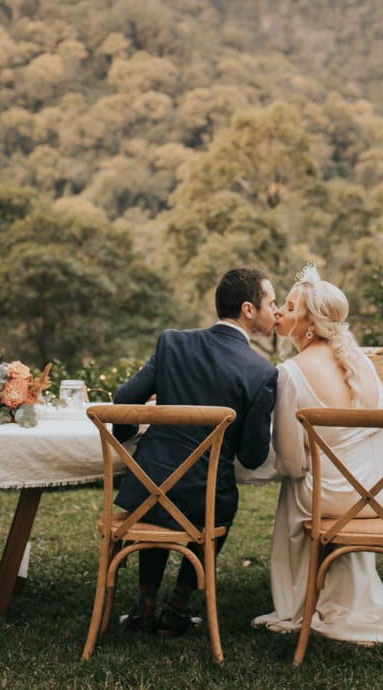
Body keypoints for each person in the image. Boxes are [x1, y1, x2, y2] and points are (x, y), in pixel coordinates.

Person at [253, 264, 383, 646]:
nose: (279, 313)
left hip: (340, 497)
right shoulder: (362, 361)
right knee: (334, 478)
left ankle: (299, 599)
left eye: (290, 307)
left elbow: (291, 461)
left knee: (296, 486)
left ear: (309, 325)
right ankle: (347, 589)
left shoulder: (291, 372)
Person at [112, 266, 280, 635]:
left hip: (148, 484)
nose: (277, 311)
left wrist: (128, 437)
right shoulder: (261, 372)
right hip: (206, 498)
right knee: (211, 500)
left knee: (160, 497)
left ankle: (145, 606)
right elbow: (252, 457)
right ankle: (177, 608)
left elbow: (124, 400)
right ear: (249, 310)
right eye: (272, 302)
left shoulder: (173, 343)